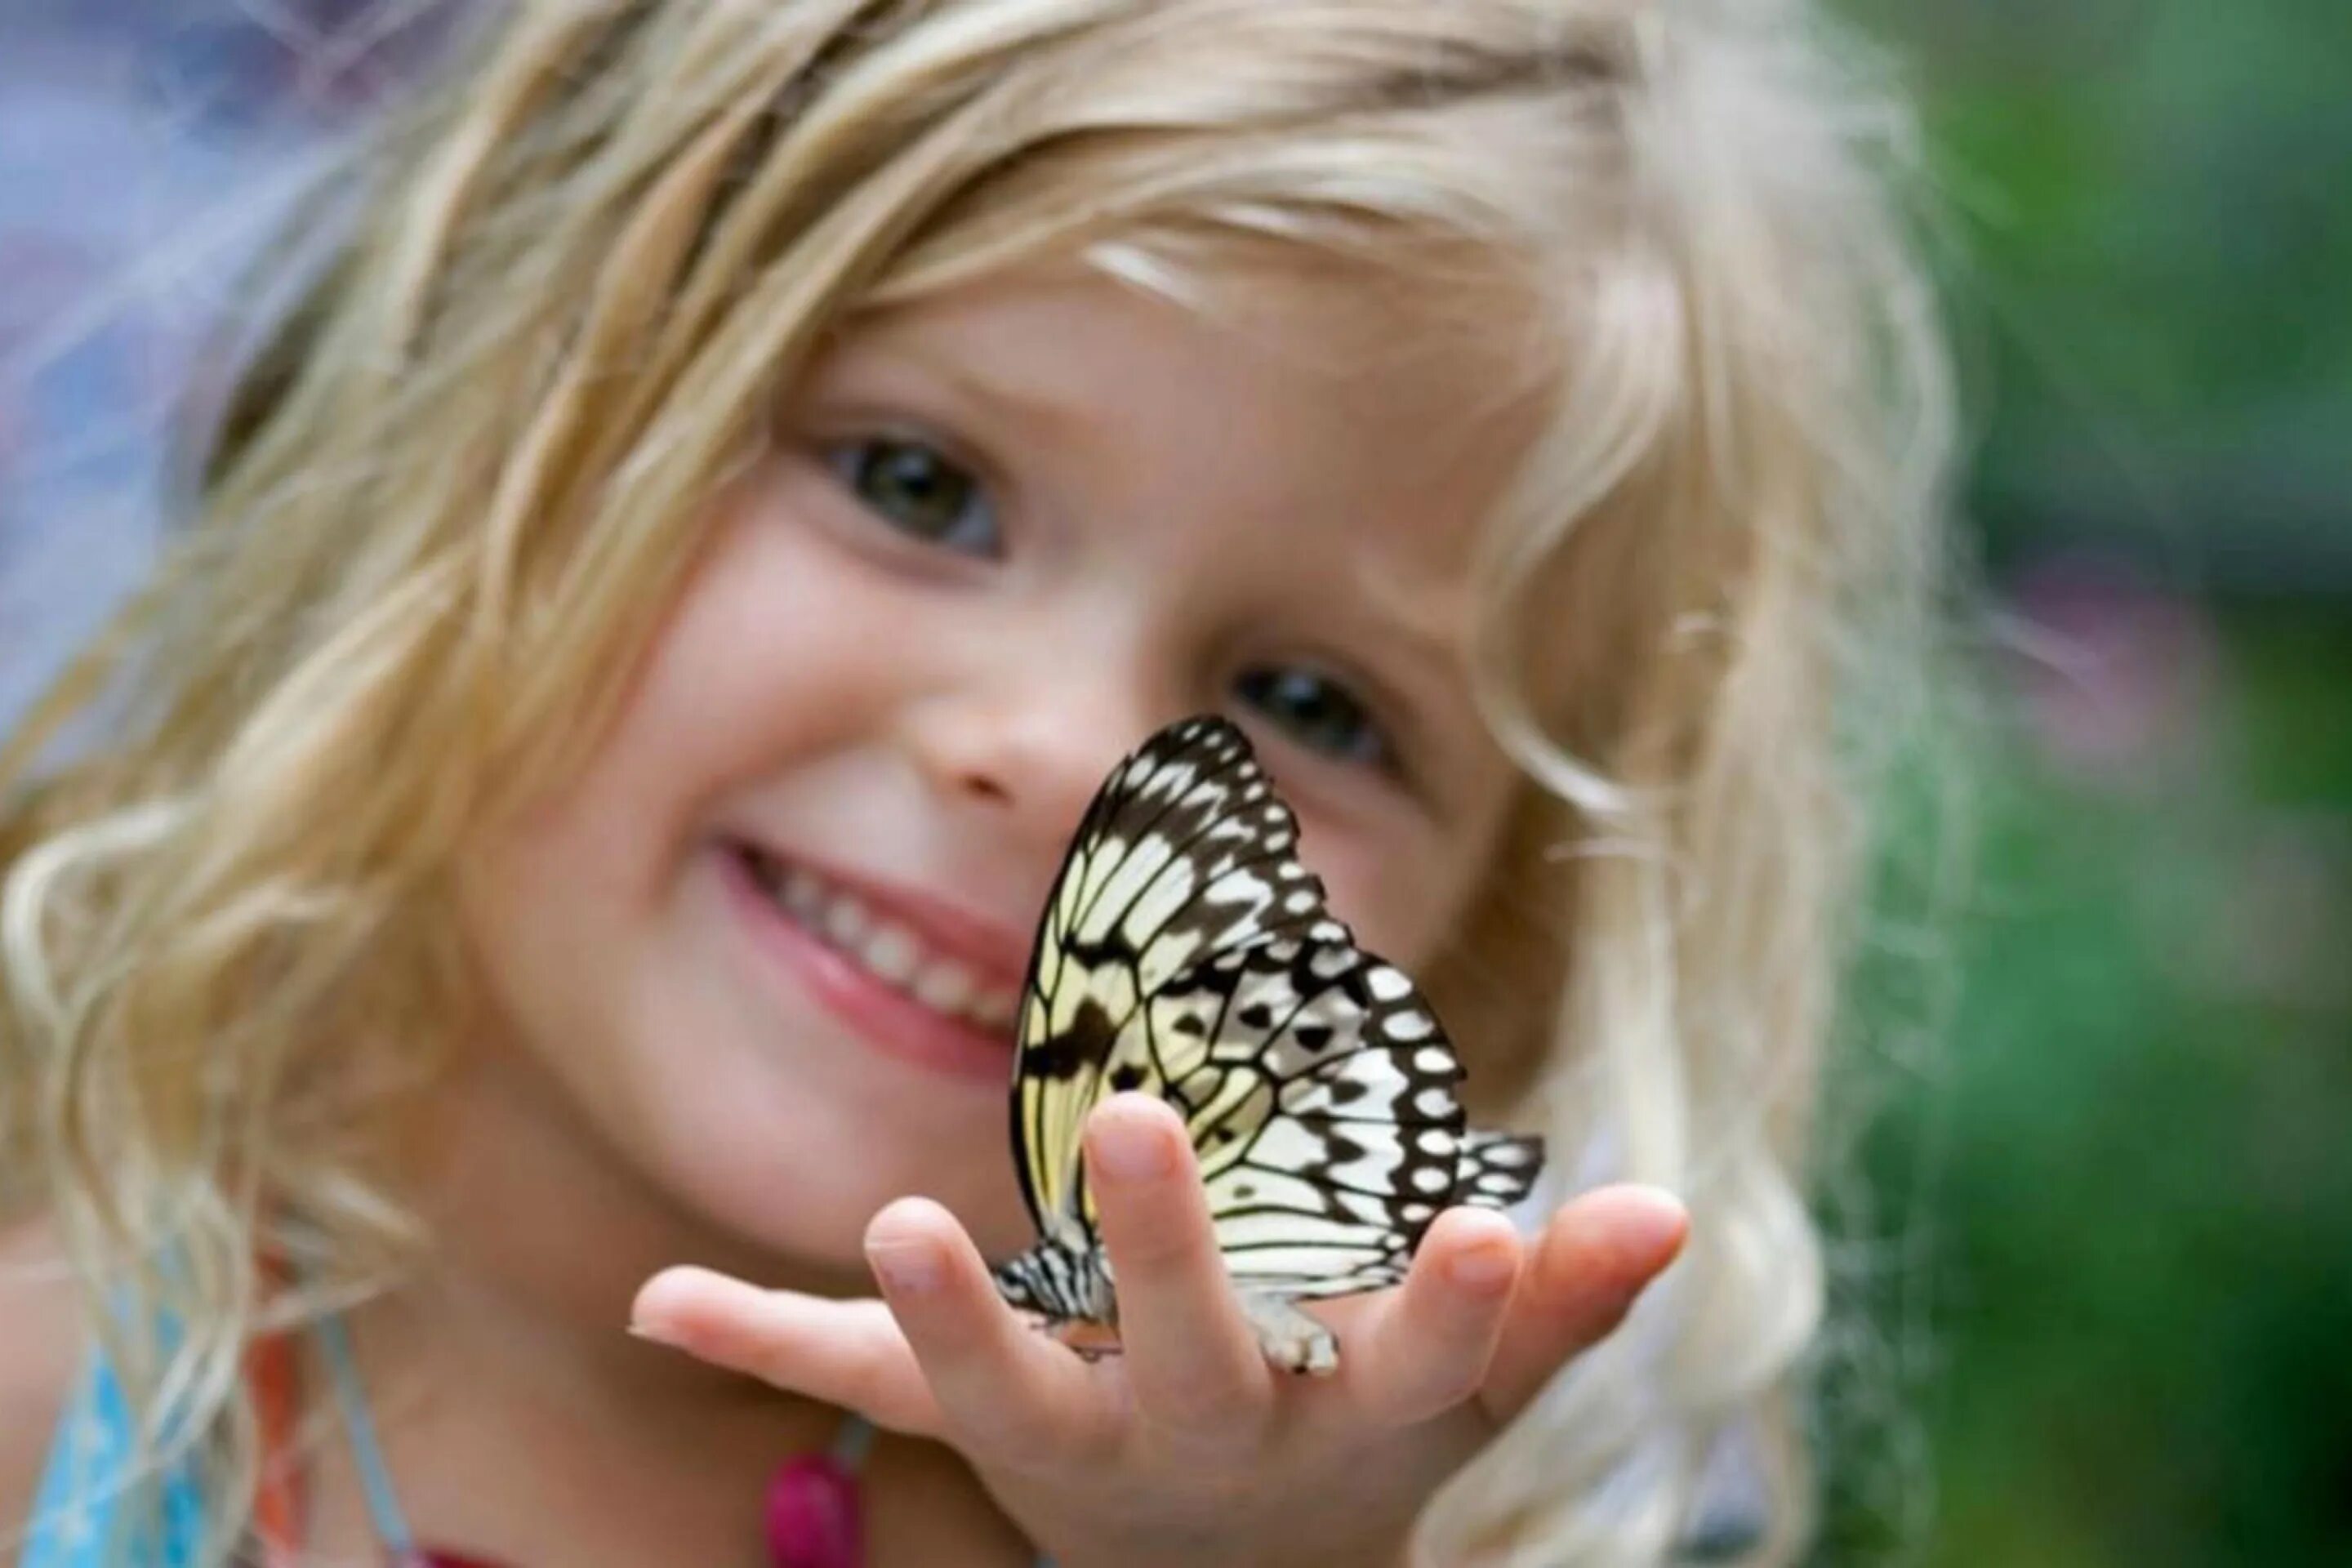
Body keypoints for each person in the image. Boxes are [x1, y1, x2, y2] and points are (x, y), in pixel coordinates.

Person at [0, 1, 1956, 1563]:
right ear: (512, 408)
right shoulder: (59, 1385)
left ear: (1487, 955)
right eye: (918, 485)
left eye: (1306, 701)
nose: (1066, 756)